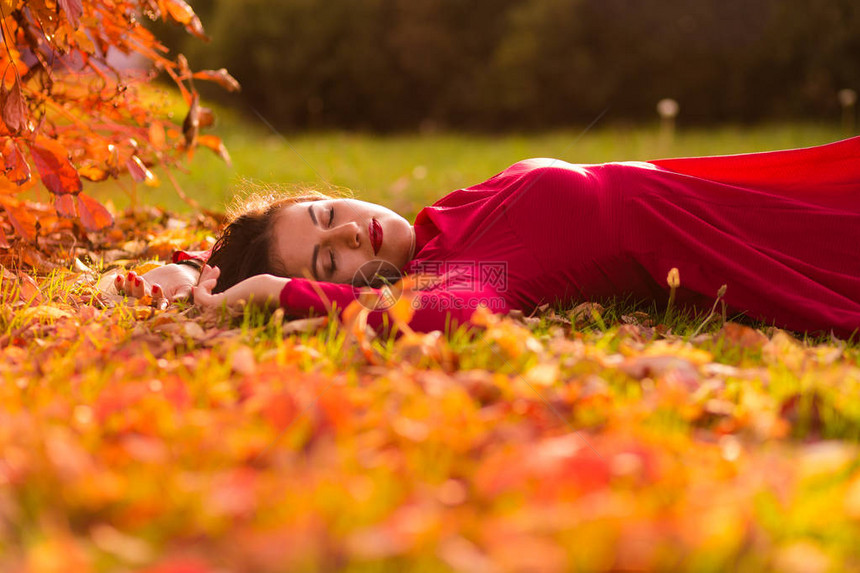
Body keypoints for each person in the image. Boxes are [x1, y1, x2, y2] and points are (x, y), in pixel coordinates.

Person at [117, 136, 860, 337]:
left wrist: (191, 267)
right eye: (330, 257)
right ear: (347, 286)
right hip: (754, 235)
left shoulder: (447, 222)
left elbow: (212, 254)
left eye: (324, 214)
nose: (347, 227)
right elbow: (462, 316)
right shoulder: (457, 273)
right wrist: (272, 290)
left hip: (733, 191)